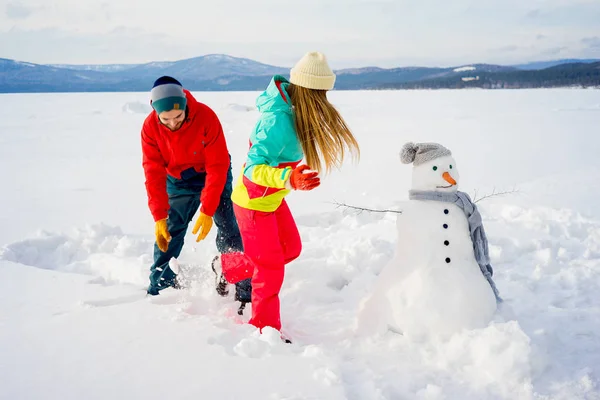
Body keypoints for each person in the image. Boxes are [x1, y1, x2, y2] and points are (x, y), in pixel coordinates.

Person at [213, 52, 360, 336]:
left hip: (272, 198)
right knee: (269, 269)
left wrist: (290, 177)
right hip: (253, 203)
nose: (323, 102)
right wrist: (288, 177)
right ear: (306, 91)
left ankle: (226, 266)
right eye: (319, 94)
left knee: (289, 249)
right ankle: (264, 329)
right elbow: (252, 170)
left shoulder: (294, 113)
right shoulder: (275, 122)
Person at [140, 75, 252, 303]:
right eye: (166, 119)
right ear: (155, 111)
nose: (173, 123)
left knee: (229, 227)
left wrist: (208, 210)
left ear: (184, 105)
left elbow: (217, 165)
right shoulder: (150, 128)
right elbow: (153, 172)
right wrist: (159, 216)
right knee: (169, 232)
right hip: (178, 179)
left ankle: (243, 290)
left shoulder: (205, 116)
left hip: (212, 173)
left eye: (178, 116)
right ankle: (160, 286)